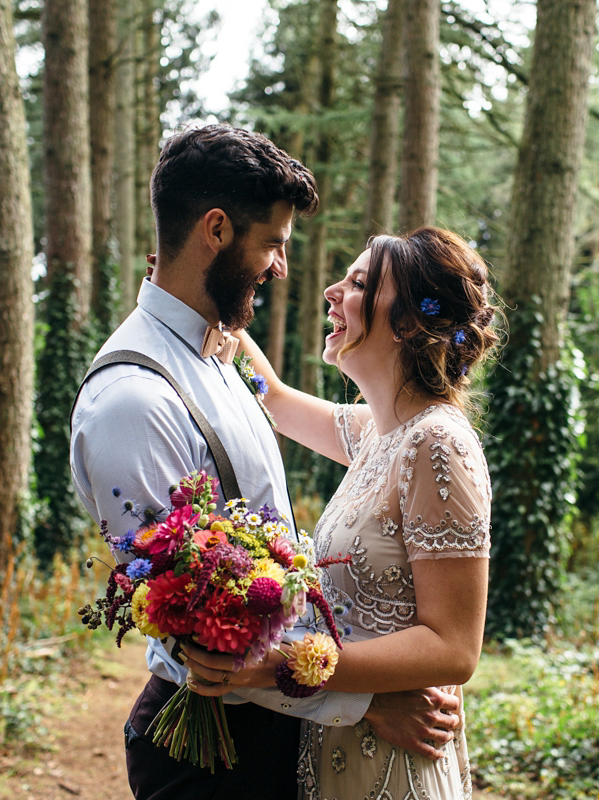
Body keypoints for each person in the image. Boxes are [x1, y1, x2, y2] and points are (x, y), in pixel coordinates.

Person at [69, 125, 462, 800]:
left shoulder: (217, 355)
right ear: (216, 230)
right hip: (212, 754)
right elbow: (188, 628)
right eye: (274, 243)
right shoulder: (134, 401)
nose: (282, 267)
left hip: (277, 732)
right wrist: (365, 703)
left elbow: (280, 408)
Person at [182, 226, 500, 800]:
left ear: (406, 323)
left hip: (396, 769)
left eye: (356, 283)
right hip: (332, 748)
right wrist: (203, 295)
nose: (331, 291)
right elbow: (271, 398)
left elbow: (454, 647)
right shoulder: (380, 434)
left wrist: (284, 661)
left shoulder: (438, 446)